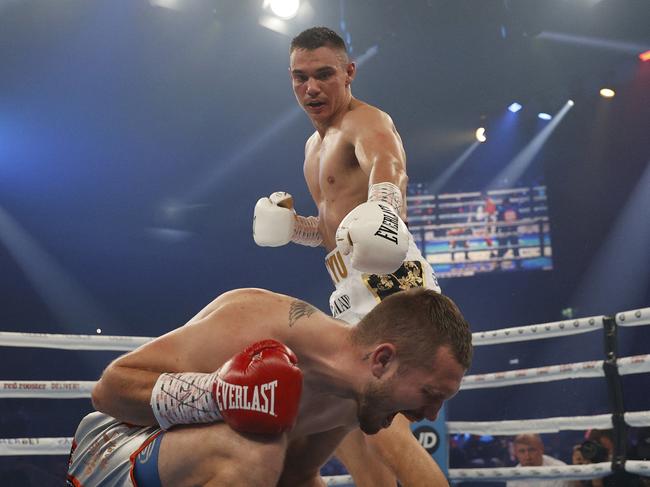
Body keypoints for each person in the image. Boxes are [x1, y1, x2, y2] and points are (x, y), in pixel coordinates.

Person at [252, 26, 450, 486]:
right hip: (346, 287)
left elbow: (390, 172)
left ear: (349, 73)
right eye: (300, 77)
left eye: (324, 74)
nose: (311, 88)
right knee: (336, 426)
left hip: (391, 277)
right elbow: (330, 232)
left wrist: (383, 210)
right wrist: (292, 228)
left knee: (381, 422)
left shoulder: (367, 121)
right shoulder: (312, 147)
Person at [66, 287, 472, 487]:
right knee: (256, 447)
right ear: (383, 360)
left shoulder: (355, 398)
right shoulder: (264, 324)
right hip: (112, 448)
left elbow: (295, 476)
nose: (431, 415)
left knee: (266, 454)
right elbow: (109, 390)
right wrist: (219, 394)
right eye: (430, 394)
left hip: (181, 468)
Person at [506, 434, 571, 487]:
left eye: (531, 450)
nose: (527, 457)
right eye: (522, 451)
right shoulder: (513, 477)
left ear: (541, 449)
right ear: (516, 453)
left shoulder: (559, 470)